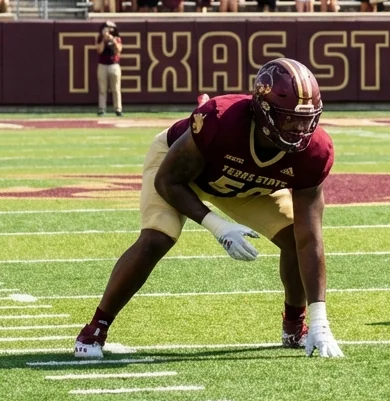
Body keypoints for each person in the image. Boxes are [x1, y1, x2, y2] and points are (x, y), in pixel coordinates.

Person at [74, 60, 343, 359]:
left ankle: (296, 324)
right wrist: (218, 226)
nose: (300, 129)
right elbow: (168, 181)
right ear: (263, 112)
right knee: (157, 237)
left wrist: (320, 317)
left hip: (242, 185)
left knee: (296, 239)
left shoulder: (315, 151)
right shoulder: (220, 122)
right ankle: (95, 327)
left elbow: (310, 237)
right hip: (183, 173)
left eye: (306, 119)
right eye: (289, 119)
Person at [94, 21, 123, 117]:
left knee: (116, 89)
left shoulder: (117, 38)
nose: (109, 30)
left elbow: (119, 50)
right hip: (103, 65)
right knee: (102, 89)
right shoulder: (100, 38)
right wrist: (104, 40)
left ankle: (118, 109)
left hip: (114, 65)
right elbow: (99, 50)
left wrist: (113, 40)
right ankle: (102, 109)